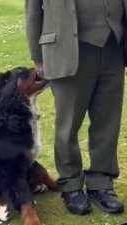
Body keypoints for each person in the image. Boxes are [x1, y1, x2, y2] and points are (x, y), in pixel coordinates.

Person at [26, 0, 126, 215]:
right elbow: (33, 8)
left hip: (114, 48)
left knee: (108, 122)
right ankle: (71, 185)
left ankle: (101, 182)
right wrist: (37, 55)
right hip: (67, 50)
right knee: (68, 125)